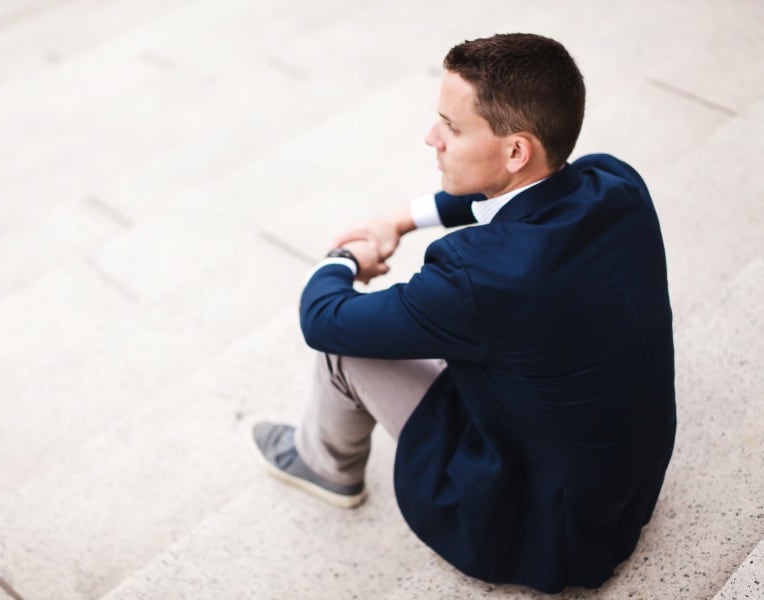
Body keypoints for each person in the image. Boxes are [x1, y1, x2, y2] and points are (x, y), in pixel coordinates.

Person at [251, 33, 676, 594]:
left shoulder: (478, 276)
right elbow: (498, 195)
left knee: (344, 347)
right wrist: (401, 220)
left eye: (450, 126)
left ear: (516, 150)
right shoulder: (613, 181)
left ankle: (324, 466)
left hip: (550, 533)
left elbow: (322, 318)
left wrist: (345, 258)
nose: (431, 138)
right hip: (625, 489)